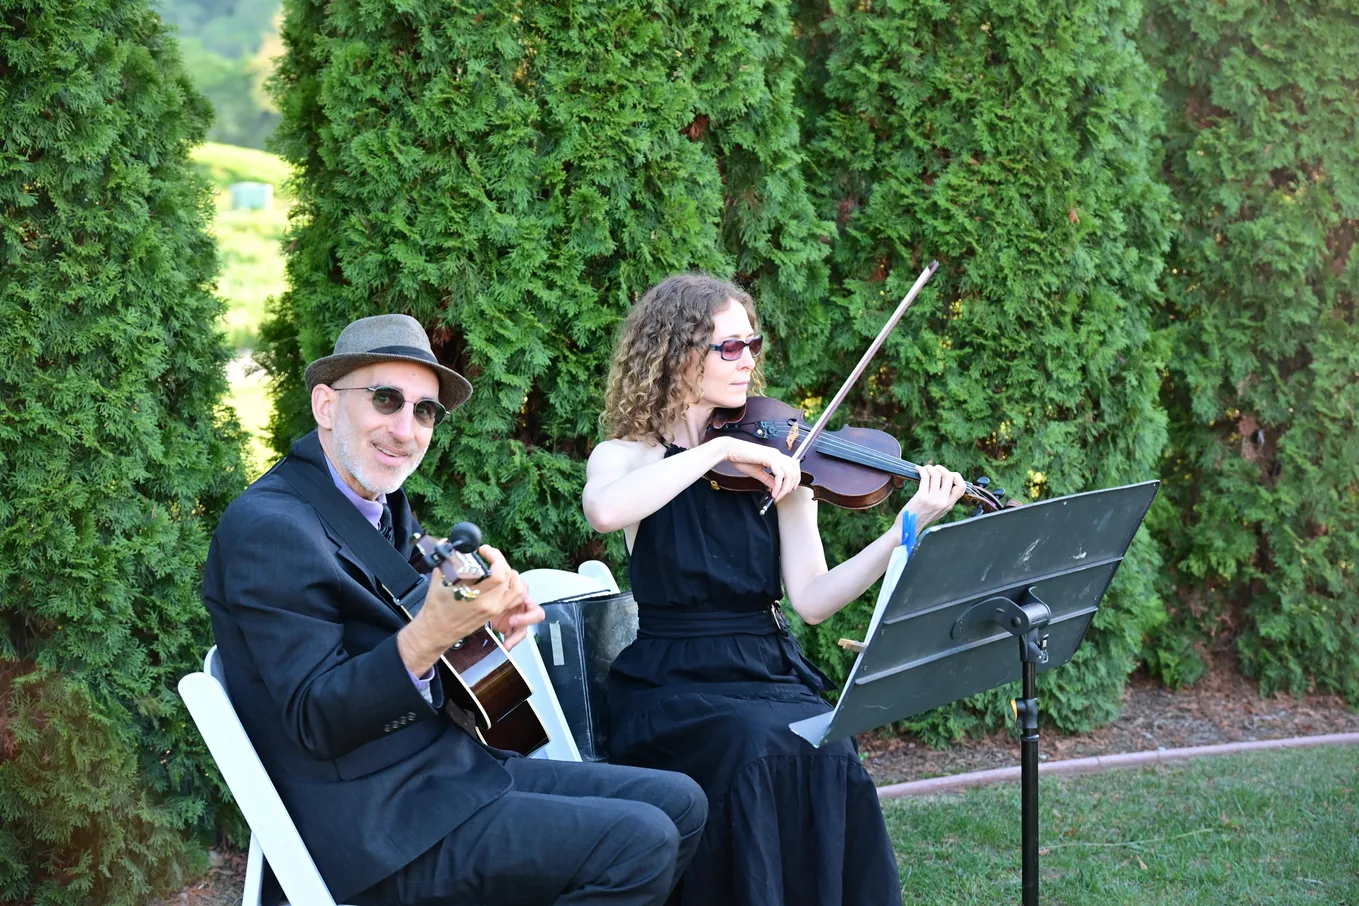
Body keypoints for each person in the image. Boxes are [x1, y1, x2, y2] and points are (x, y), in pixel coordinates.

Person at [203, 314, 707, 906]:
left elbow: (431, 632)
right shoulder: (269, 529)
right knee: (639, 842)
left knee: (682, 803)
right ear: (326, 405)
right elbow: (316, 718)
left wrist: (483, 621)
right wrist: (430, 637)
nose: (405, 428)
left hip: (447, 776)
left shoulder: (380, 506)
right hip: (378, 831)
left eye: (424, 411)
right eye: (386, 399)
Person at [582, 274, 968, 906]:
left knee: (827, 742)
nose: (749, 361)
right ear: (679, 352)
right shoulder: (628, 456)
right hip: (673, 685)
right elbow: (604, 511)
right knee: (755, 745)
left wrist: (908, 526)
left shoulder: (779, 455)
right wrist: (717, 452)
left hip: (763, 665)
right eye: (729, 347)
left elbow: (812, 598)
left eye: (751, 344)